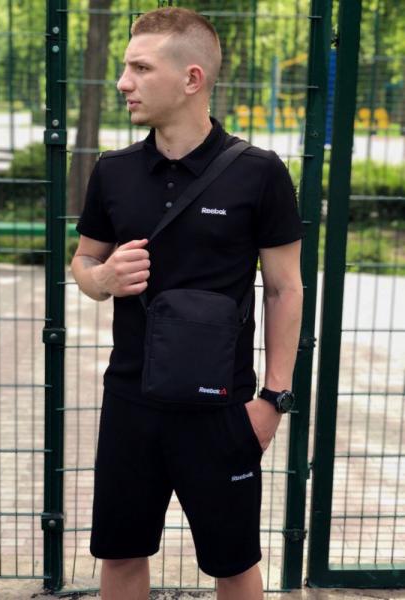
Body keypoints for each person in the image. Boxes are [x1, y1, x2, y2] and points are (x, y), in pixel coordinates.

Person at [71, 7, 304, 600]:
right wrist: (104, 279)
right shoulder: (114, 171)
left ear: (191, 78)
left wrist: (273, 400)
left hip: (222, 408)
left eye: (140, 68)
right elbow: (83, 263)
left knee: (234, 563)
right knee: (121, 554)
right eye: (125, 67)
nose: (122, 82)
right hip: (130, 401)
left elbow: (285, 288)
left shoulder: (260, 173)